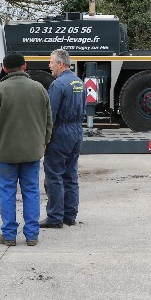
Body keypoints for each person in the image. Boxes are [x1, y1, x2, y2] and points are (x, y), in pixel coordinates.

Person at [0, 52, 52, 247]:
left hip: (5, 152)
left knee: (7, 192)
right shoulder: (39, 89)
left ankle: (9, 235)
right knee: (31, 191)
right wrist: (44, 142)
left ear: (4, 68)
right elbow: (48, 121)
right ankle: (32, 235)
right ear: (25, 66)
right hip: (32, 151)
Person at [41, 49, 85, 229]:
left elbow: (50, 114)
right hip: (76, 131)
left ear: (60, 64)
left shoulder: (58, 85)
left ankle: (54, 217)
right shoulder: (79, 82)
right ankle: (70, 215)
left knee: (54, 174)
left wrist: (45, 139)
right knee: (70, 174)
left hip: (61, 131)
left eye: (51, 62)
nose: (49, 66)